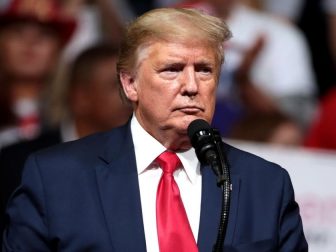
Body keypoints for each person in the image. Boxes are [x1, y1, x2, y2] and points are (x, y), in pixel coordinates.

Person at [2, 8, 307, 251]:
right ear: (130, 83)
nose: (191, 86)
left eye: (204, 70)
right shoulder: (57, 177)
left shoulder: (265, 184)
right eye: (172, 69)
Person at [0, 42, 133, 242]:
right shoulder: (18, 163)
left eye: (132, 83)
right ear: (81, 97)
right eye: (116, 86)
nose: (130, 96)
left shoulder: (146, 160)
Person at [0, 0, 76, 147]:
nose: (30, 43)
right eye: (18, 32)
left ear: (59, 49)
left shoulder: (78, 113)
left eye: (44, 34)